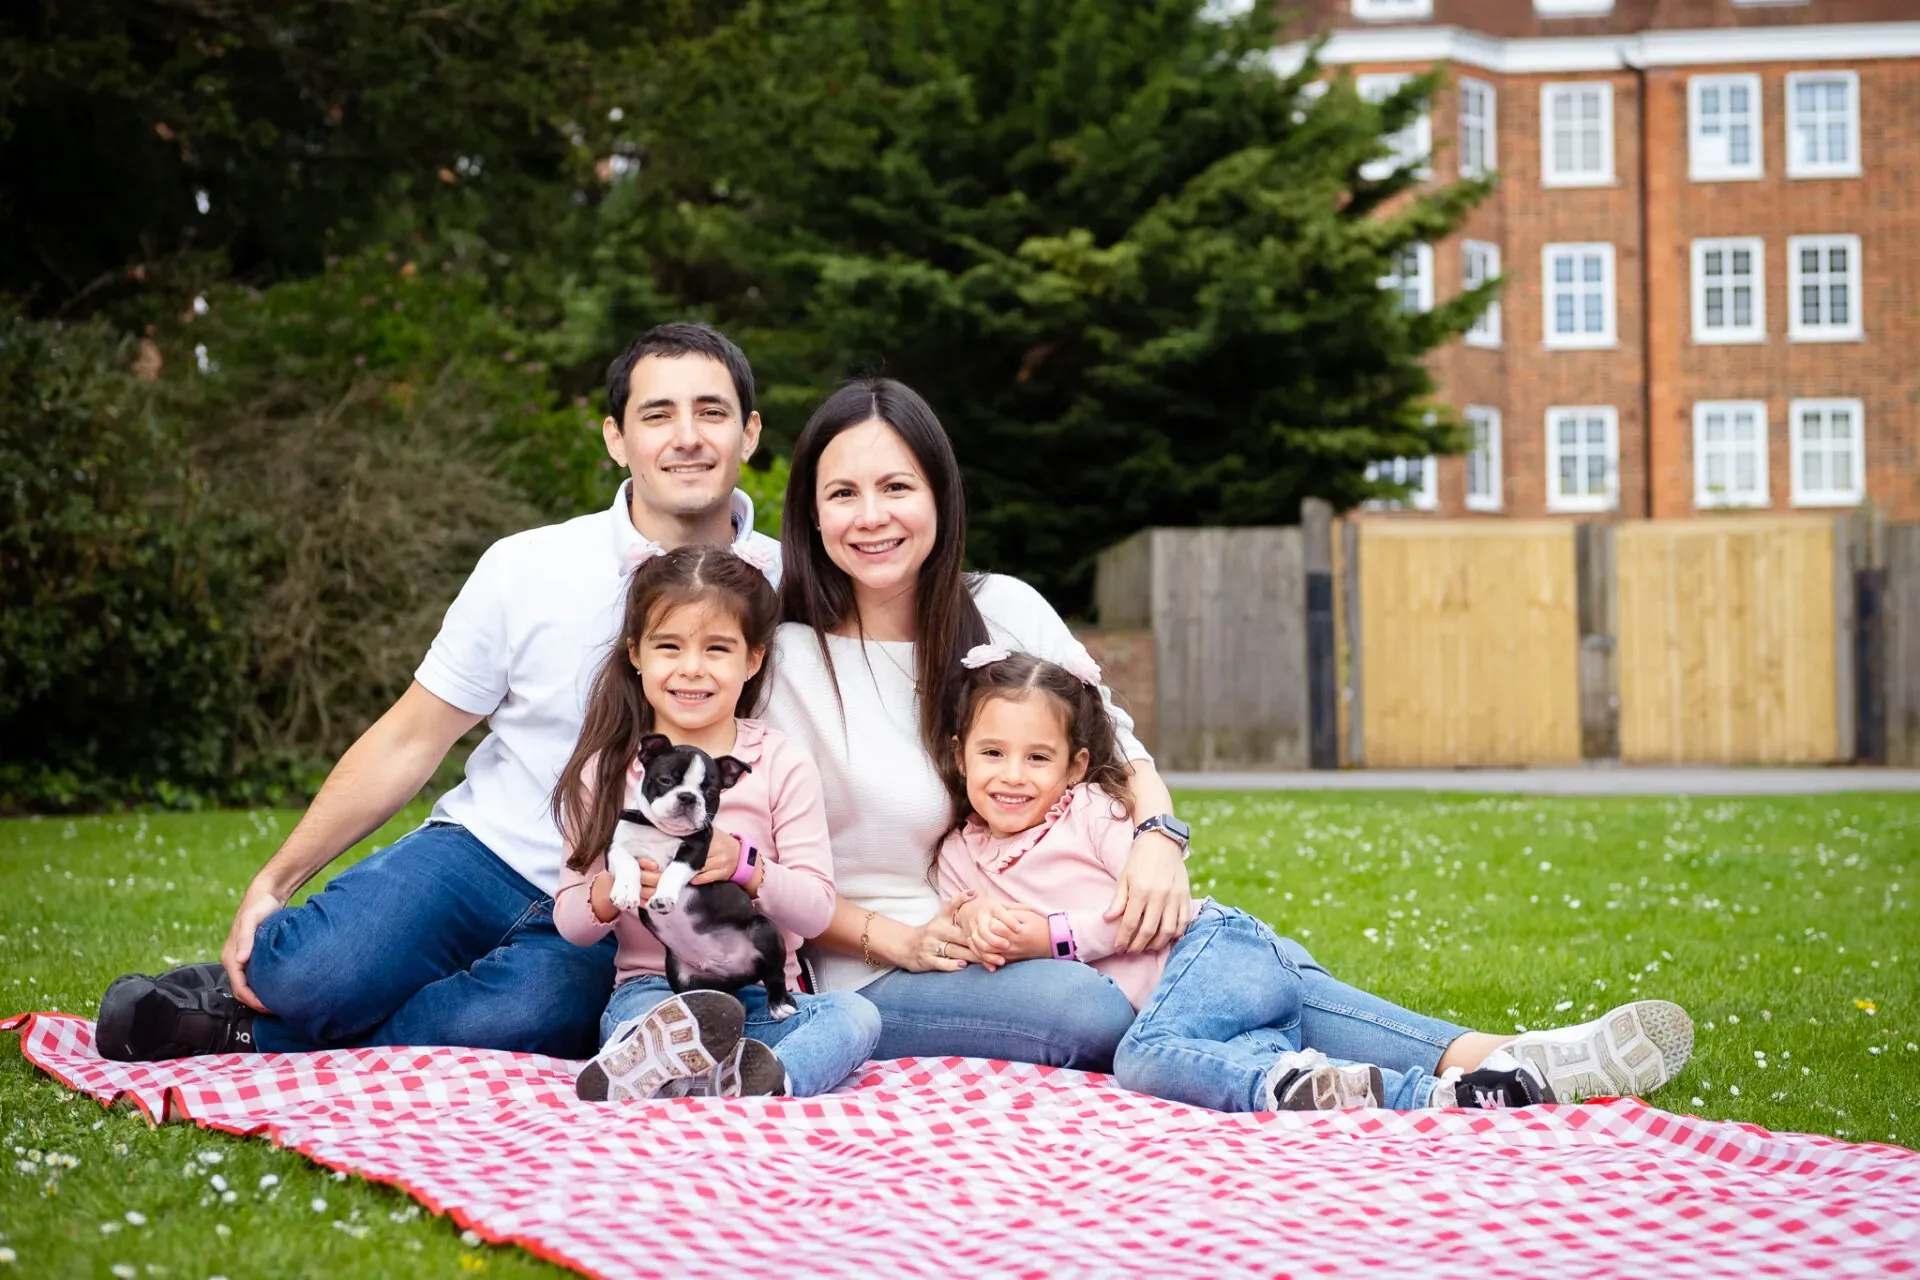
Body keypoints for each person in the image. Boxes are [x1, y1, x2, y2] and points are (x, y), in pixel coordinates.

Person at [764, 376, 1694, 1101]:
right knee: (1088, 1004)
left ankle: (1491, 1060)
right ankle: (1401, 1065)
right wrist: (898, 936)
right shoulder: (788, 659)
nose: (871, 514)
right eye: (842, 492)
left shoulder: (1001, 609)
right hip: (879, 967)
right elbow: (764, 862)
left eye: (897, 485)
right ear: (809, 512)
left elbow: (1116, 747)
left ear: (940, 494)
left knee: (1189, 939)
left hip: (1022, 931)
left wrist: (1159, 843)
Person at [95, 323, 781, 1061]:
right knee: (305, 972)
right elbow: (411, 737)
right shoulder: (528, 565)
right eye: (657, 415)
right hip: (478, 854)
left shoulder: (792, 586)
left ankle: (244, 1030)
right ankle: (298, 998)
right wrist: (276, 878)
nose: (687, 437)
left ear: (749, 433)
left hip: (609, 909)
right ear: (616, 438)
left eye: (711, 412)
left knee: (518, 1024)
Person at [935, 647, 1593, 1112]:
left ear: (1075, 766)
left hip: (1213, 950)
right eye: (992, 753)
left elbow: (1150, 912)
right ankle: (1471, 1086)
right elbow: (958, 912)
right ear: (961, 754)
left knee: (1145, 1058)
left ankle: (1282, 1087)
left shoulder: (1092, 813)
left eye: (1037, 757)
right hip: (1210, 1011)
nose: (1012, 775)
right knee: (1254, 1043)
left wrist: (1046, 937)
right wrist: (972, 923)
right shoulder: (957, 851)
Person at [553, 546, 880, 1100]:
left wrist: (749, 867)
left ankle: (765, 1075)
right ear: (635, 653)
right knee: (642, 1023)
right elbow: (570, 921)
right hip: (656, 989)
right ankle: (658, 1058)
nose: (692, 668)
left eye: (717, 649)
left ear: (753, 660)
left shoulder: (779, 761)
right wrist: (616, 888)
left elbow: (818, 910)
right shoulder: (606, 768)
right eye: (669, 646)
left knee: (855, 1017)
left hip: (763, 993)